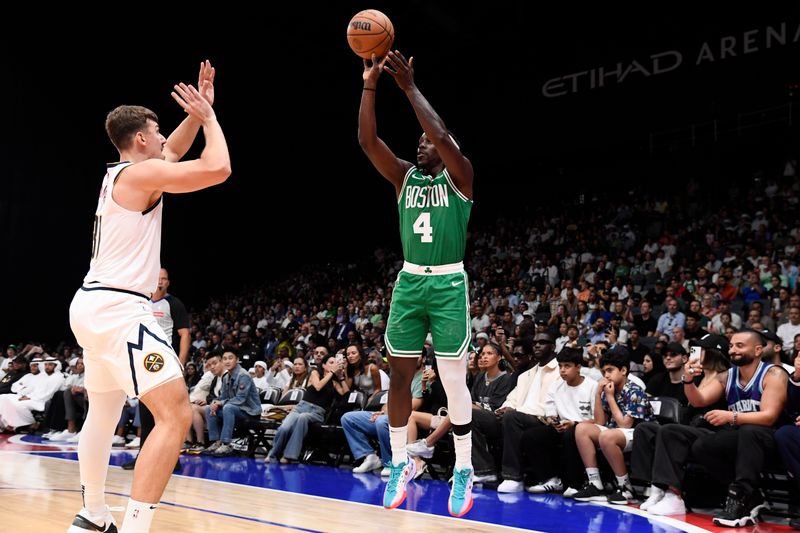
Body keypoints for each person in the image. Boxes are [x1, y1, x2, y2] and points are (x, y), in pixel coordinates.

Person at [67, 60, 231, 533]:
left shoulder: (121, 173)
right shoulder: (140, 177)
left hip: (93, 306)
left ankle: (92, 515)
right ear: (141, 139)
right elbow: (218, 168)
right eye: (156, 132)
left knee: (102, 414)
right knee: (176, 414)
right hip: (120, 308)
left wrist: (197, 115)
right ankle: (136, 527)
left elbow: (175, 150)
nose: (163, 139)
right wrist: (212, 120)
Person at [359, 50, 475, 517]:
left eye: (428, 141)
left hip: (448, 285)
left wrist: (408, 87)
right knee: (400, 377)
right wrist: (370, 85)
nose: (422, 143)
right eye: (420, 141)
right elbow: (368, 142)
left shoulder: (461, 178)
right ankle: (399, 463)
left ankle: (463, 467)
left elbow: (441, 133)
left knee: (451, 379)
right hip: (409, 281)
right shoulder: (405, 179)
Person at [122, 268, 190, 471]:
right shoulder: (141, 304)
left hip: (164, 362)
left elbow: (184, 335)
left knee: (167, 415)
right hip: (144, 363)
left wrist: (181, 362)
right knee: (146, 415)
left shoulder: (174, 304)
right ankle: (144, 458)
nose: (160, 282)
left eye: (164, 279)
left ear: (168, 282)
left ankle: (172, 460)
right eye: (157, 278)